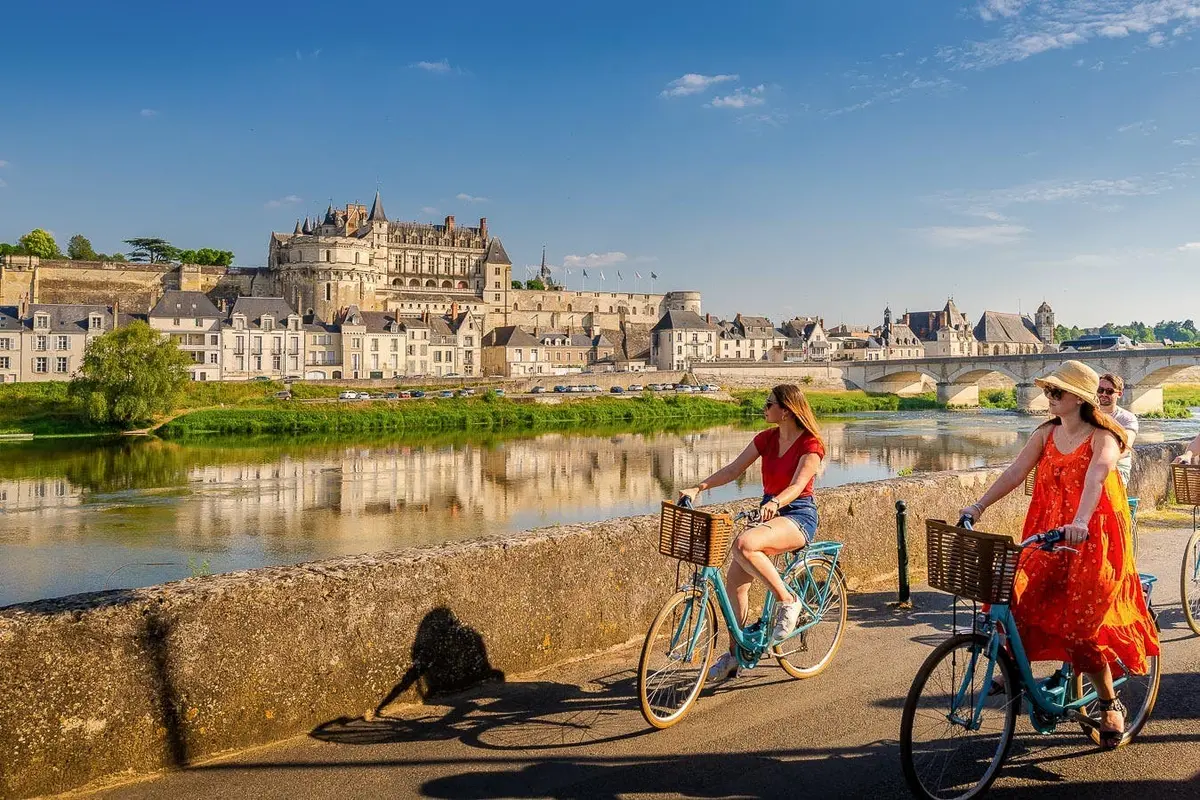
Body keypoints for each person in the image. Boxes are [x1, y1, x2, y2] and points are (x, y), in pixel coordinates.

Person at [959, 360, 1159, 749]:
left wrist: (1081, 520)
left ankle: (1108, 702)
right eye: (1048, 391)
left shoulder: (1105, 436)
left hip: (1094, 534)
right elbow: (1015, 472)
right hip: (1048, 529)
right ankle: (1016, 667)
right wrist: (977, 506)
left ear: (1079, 399)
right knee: (1016, 592)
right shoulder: (1046, 433)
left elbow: (1097, 477)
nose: (1049, 397)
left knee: (1084, 626)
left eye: (1057, 392)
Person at [678, 384, 825, 683]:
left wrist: (776, 502)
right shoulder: (766, 439)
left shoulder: (811, 445)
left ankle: (788, 600)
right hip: (768, 512)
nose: (764, 408)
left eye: (769, 404)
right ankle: (736, 654)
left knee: (744, 544)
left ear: (785, 410)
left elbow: (797, 486)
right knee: (735, 585)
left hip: (798, 514)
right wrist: (698, 488)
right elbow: (733, 470)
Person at [1097, 373, 1138, 487]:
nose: (1103, 394)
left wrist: (1101, 463)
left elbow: (1126, 447)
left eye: (1109, 391)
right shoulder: (1087, 414)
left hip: (1117, 468)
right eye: (1100, 390)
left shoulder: (1127, 418)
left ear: (1119, 394)